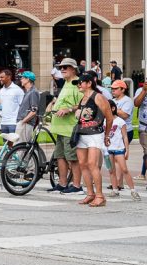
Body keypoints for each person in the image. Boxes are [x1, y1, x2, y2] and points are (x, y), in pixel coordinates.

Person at [74, 72, 113, 207]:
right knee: (83, 164)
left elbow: (109, 117)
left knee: (92, 164)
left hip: (95, 135)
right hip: (81, 134)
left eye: (80, 82)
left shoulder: (98, 97)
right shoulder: (83, 98)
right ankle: (90, 194)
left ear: (89, 83)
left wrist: (107, 135)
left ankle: (100, 196)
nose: (78, 85)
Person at [48, 58, 83, 194]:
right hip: (60, 128)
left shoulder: (77, 83)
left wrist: (68, 109)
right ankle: (62, 184)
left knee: (72, 158)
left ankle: (77, 186)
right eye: (61, 67)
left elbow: (82, 104)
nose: (62, 69)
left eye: (66, 67)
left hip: (70, 128)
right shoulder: (66, 83)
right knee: (60, 157)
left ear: (73, 69)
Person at [105, 100, 139, 200]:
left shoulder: (120, 121)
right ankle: (115, 189)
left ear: (113, 108)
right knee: (111, 170)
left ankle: (133, 190)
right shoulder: (104, 120)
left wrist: (127, 150)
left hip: (119, 149)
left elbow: (125, 137)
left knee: (124, 169)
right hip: (108, 150)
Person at [15, 71, 41, 144]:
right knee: (20, 148)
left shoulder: (33, 92)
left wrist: (22, 122)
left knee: (22, 149)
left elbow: (34, 111)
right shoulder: (28, 92)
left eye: (22, 78)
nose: (21, 80)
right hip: (24, 123)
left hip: (26, 124)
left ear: (28, 79)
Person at [0, 68, 23, 136]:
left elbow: (22, 106)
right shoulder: (1, 91)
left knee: (14, 145)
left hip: (14, 123)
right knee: (6, 145)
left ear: (9, 77)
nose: (0, 79)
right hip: (3, 122)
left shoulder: (17, 90)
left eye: (2, 77)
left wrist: (20, 121)